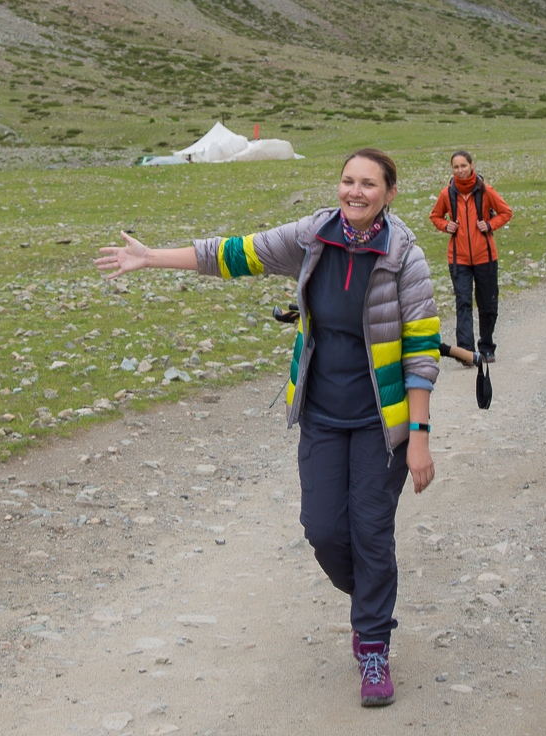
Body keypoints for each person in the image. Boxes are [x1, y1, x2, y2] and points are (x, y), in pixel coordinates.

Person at [96, 148, 440, 708]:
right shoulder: (313, 236)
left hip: (384, 425)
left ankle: (372, 643)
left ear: (389, 193)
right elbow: (235, 253)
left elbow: (423, 350)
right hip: (322, 417)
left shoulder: (405, 257)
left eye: (368, 184)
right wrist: (152, 257)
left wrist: (420, 435)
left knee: (372, 534)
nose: (355, 192)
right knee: (325, 531)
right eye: (347, 180)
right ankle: (371, 597)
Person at [429, 151, 513, 364]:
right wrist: (446, 225)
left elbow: (506, 212)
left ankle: (486, 347)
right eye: (456, 167)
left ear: (471, 165)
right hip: (459, 260)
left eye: (463, 166)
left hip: (486, 257)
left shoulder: (486, 191)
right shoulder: (446, 194)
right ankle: (466, 353)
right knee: (463, 303)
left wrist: (490, 224)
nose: (460, 170)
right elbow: (435, 216)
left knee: (487, 304)